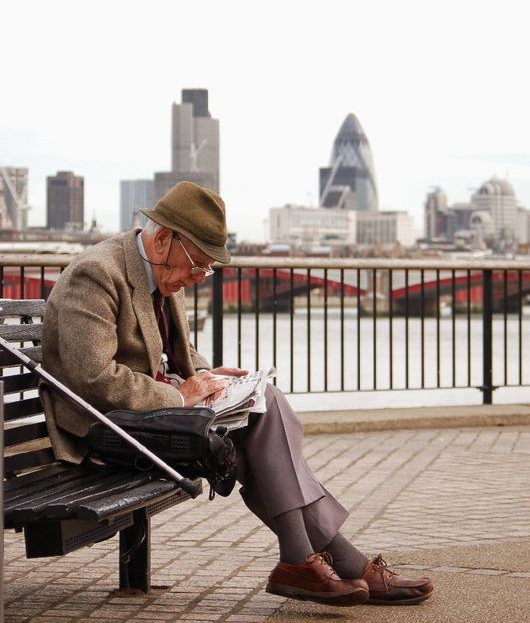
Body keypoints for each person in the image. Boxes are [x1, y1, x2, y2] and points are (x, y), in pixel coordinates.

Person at [41, 181, 433, 607]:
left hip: (149, 419)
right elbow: (93, 379)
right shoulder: (97, 274)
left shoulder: (161, 272)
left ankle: (304, 560)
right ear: (161, 240)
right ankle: (331, 560)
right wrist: (181, 396)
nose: (198, 277)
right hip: (105, 431)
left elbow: (170, 352)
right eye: (197, 265)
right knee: (261, 430)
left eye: (206, 269)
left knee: (263, 401)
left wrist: (209, 376)